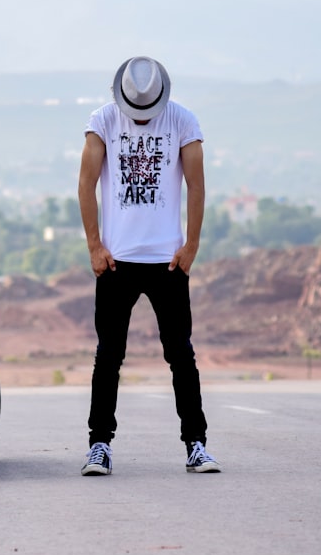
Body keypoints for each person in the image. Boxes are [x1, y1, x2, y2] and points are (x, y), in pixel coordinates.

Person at [77, 56, 220, 475]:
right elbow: (86, 183)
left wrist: (191, 244)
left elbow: (197, 184)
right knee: (108, 356)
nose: (142, 119)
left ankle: (196, 445)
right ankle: (99, 446)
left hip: (168, 262)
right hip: (116, 262)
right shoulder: (102, 121)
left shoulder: (182, 121)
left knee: (181, 355)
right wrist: (94, 245)